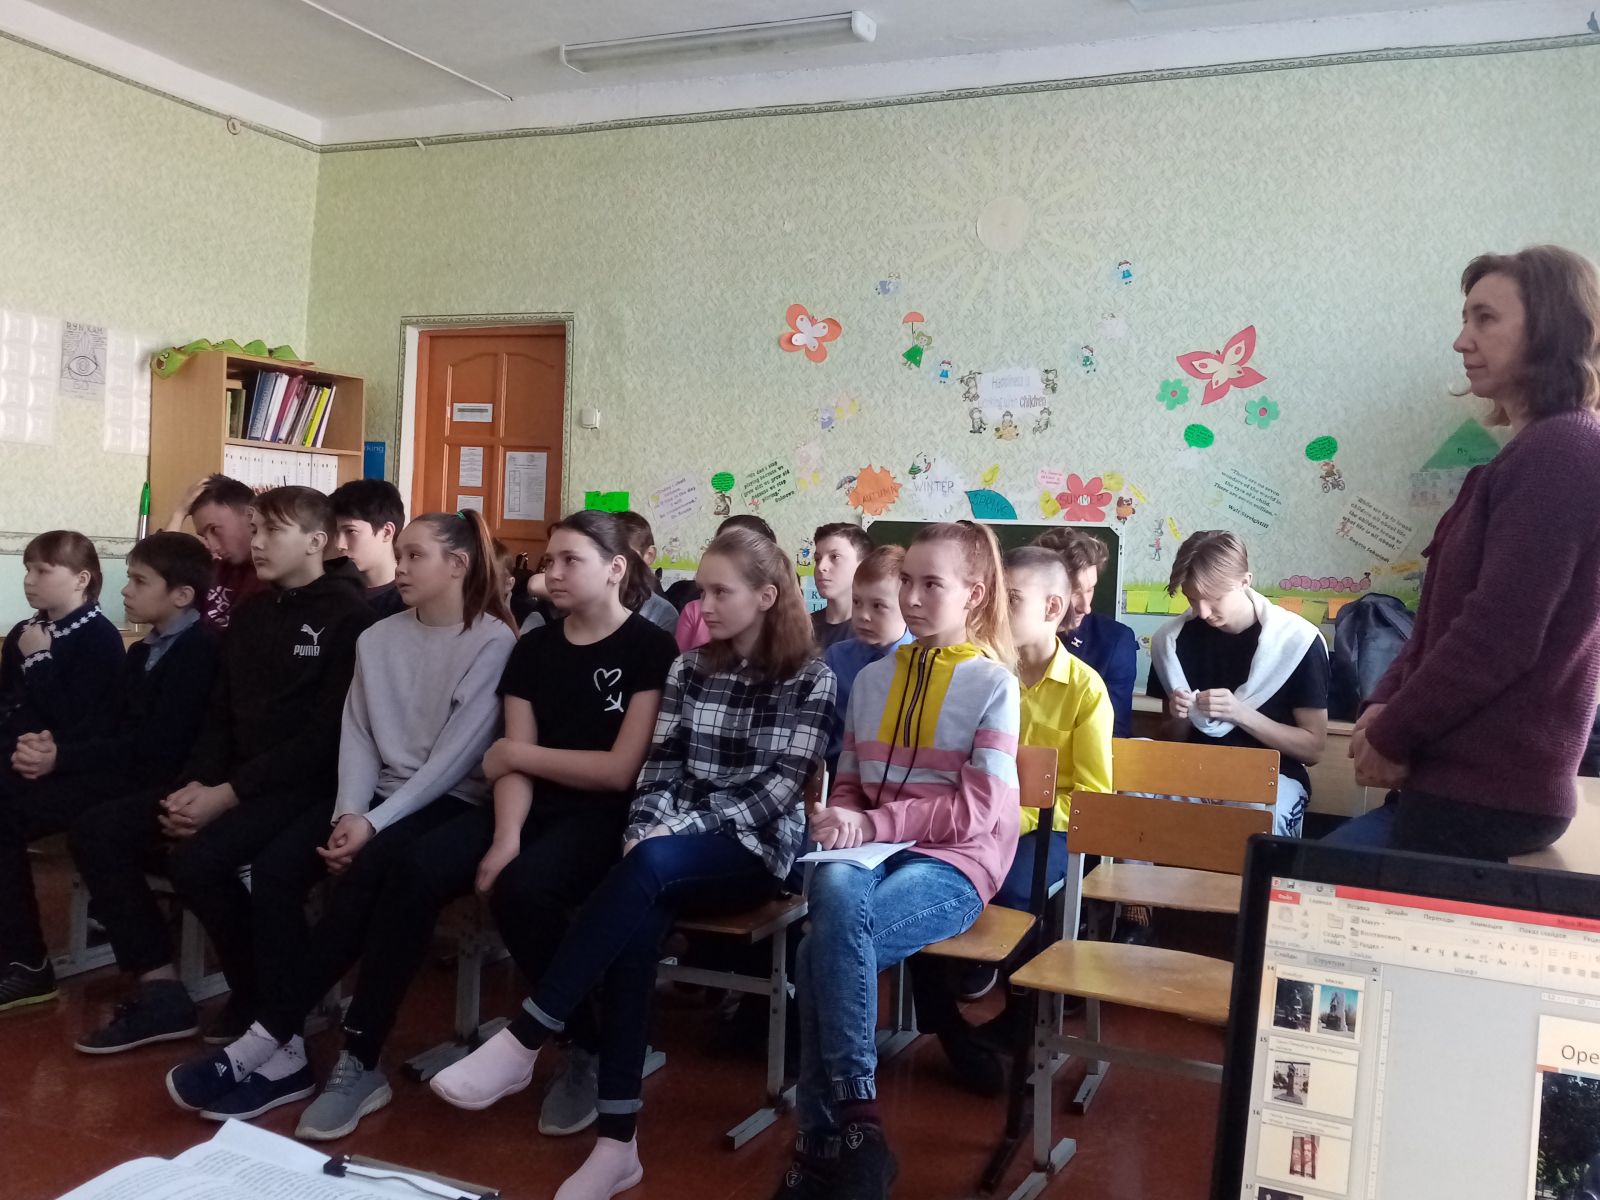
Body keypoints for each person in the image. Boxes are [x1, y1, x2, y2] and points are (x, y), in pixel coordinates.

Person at [431, 526, 833, 1200]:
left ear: (767, 596)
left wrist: (666, 834)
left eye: (720, 593)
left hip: (752, 849)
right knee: (636, 931)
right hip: (666, 847)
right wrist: (649, 829)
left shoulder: (810, 677)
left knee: (647, 869)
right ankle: (617, 1146)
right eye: (702, 591)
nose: (703, 606)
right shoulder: (688, 668)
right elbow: (658, 769)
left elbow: (775, 793)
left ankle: (528, 1034)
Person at [164, 509, 516, 1132]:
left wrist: (373, 825)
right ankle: (290, 1049)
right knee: (288, 868)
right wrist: (350, 811)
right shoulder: (377, 638)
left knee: (385, 872)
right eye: (399, 556)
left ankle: (310, 1047)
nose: (399, 567)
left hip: (450, 801)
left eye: (415, 556)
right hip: (373, 798)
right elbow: (357, 733)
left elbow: (453, 761)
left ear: (458, 565)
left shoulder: (492, 640)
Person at [70, 487, 374, 1052]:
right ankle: (166, 989)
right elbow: (219, 717)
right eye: (254, 530)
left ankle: (263, 997)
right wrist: (197, 786)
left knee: (202, 862)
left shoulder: (350, 617)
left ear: (316, 541)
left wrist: (227, 794)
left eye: (272, 531)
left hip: (305, 786)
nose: (256, 543)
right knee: (102, 828)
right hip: (232, 781)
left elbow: (324, 738)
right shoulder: (252, 614)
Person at [1328, 246, 1600, 859]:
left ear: (1552, 329)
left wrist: (1393, 733)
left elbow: (1498, 636)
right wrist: (1382, 704)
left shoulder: (1564, 452)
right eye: (1465, 318)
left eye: (1485, 318)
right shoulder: (1530, 452)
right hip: (1456, 788)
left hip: (1488, 798)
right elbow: (1437, 623)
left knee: (1302, 891)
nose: (1461, 341)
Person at [776, 520, 1020, 1200]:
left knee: (816, 952)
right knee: (830, 900)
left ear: (974, 594)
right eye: (906, 581)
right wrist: (840, 817)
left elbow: (976, 813)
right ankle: (858, 1132)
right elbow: (852, 782)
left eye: (931, 584)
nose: (911, 598)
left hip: (955, 863)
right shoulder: (871, 680)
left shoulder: (993, 685)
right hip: (874, 851)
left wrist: (873, 822)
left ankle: (826, 1141)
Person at [474, 510, 678, 1141]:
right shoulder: (533, 647)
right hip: (531, 807)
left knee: (524, 889)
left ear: (616, 569)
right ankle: (582, 1033)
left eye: (571, 561)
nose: (553, 573)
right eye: (549, 561)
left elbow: (618, 771)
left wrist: (515, 755)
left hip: (610, 816)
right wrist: (505, 837)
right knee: (462, 866)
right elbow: (513, 762)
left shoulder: (651, 648)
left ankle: (581, 1046)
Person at [0, 532, 207, 1011]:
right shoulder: (143, 650)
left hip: (152, 782)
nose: (124, 590)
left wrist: (58, 753)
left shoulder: (189, 649)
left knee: (70, 824)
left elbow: (146, 744)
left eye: (138, 581)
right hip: (97, 765)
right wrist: (42, 746)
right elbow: (95, 725)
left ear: (180, 594)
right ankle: (21, 955)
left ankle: (29, 960)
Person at [1147, 530, 1328, 837]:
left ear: (1245, 581)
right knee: (1134, 799)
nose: (1203, 612)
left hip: (1272, 778)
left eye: (1214, 598)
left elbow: (1313, 749)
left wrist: (1240, 713)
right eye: (1192, 599)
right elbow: (1170, 739)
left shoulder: (1296, 642)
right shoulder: (1171, 642)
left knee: (1254, 815)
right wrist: (1180, 719)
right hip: (1193, 772)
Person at [1034, 528, 1137, 737]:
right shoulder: (1004, 637)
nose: (1085, 607)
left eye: (1090, 589)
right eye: (1074, 592)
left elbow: (1114, 734)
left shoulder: (1115, 642)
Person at [821, 544, 912, 776]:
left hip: (899, 778)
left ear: (907, 605)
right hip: (840, 774)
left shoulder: (923, 662)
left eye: (878, 606)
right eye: (857, 602)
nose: (863, 616)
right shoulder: (836, 657)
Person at [167, 474, 266, 630]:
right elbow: (160, 571)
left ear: (250, 516)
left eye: (214, 530)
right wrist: (179, 514)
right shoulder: (217, 569)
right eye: (205, 536)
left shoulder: (274, 577)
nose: (212, 547)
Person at [673, 514, 777, 651]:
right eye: (720, 546)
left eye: (735, 548)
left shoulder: (799, 658)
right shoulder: (693, 612)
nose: (705, 608)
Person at [329, 479, 406, 616]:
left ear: (387, 532)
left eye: (351, 531)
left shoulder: (410, 600)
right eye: (335, 532)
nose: (339, 544)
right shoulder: (328, 590)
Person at [612, 510, 682, 634]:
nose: (614, 566)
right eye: (605, 555)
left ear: (649, 555)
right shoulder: (587, 603)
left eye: (625, 557)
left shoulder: (663, 614)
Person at [811, 522, 874, 651]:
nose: (821, 567)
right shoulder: (802, 627)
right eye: (817, 559)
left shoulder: (874, 632)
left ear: (863, 565)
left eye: (834, 557)